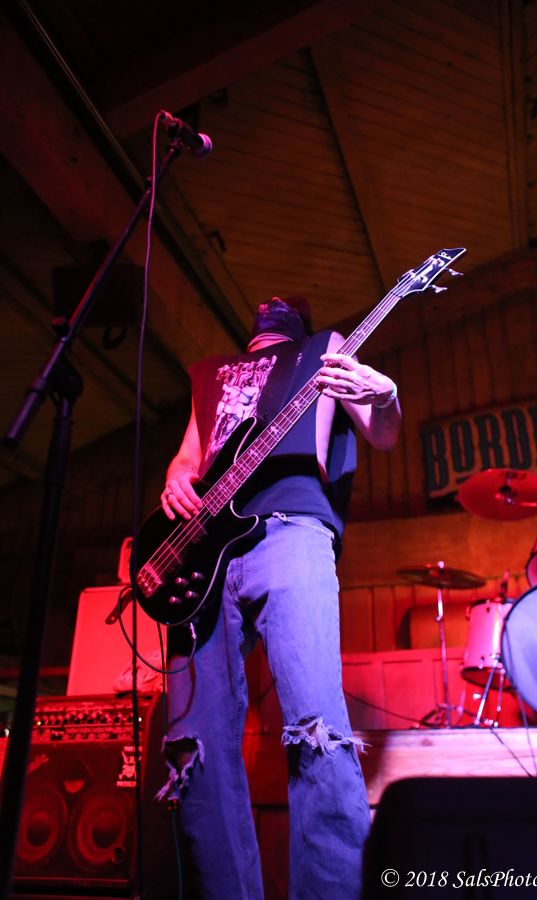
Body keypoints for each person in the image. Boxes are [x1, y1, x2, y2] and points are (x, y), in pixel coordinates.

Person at [157, 296, 401, 899]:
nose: (268, 305)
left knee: (316, 727)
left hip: (291, 529)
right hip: (202, 552)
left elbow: (381, 433)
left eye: (281, 305)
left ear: (296, 322)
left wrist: (385, 398)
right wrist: (176, 477)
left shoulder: (322, 350)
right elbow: (189, 456)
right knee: (196, 747)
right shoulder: (213, 374)